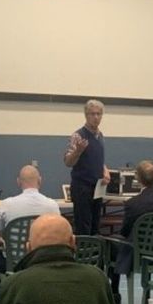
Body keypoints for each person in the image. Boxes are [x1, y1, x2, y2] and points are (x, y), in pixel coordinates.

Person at [109, 160, 153, 304]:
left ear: (138, 179)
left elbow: (124, 231)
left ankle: (114, 292)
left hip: (138, 256)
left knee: (110, 245)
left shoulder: (132, 203)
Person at [0, 164, 61, 274]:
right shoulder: (52, 206)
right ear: (40, 181)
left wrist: (4, 242)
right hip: (44, 263)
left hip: (14, 265)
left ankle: (11, 285)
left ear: (18, 182)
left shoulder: (6, 205)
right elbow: (60, 236)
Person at [63, 99, 110, 235]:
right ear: (86, 115)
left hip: (97, 187)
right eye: (92, 114)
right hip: (82, 188)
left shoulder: (100, 135)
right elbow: (68, 162)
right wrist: (77, 151)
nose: (96, 117)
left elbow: (97, 158)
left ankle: (95, 254)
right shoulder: (78, 136)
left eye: (98, 114)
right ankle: (84, 254)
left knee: (95, 227)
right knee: (84, 227)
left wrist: (104, 169)